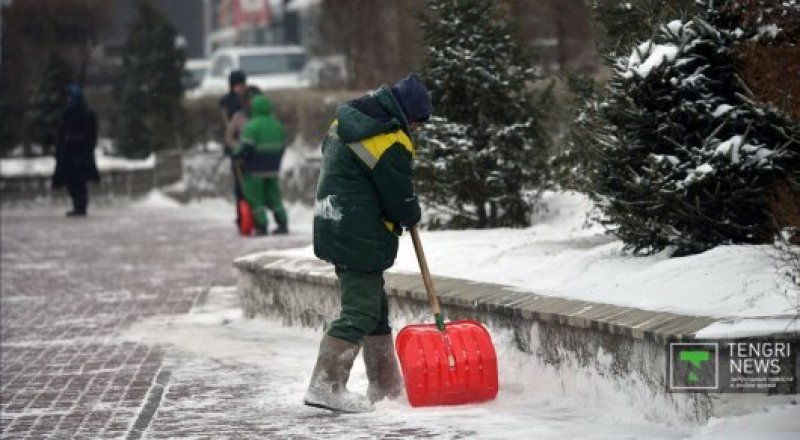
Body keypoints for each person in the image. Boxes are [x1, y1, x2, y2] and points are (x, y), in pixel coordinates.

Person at [304, 73, 432, 413]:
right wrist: (410, 213)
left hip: (336, 221)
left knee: (374, 308)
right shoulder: (388, 139)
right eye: (418, 123)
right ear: (407, 115)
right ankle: (326, 384)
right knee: (360, 310)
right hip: (359, 232)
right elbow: (397, 195)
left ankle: (385, 385)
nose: (417, 130)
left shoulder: (350, 120)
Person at [230, 93, 289, 235]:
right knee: (274, 196)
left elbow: (246, 148)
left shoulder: (252, 126)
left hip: (255, 168)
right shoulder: (277, 125)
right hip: (273, 168)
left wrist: (234, 153)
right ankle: (283, 223)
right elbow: (282, 146)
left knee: (255, 197)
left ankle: (262, 225)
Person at [52, 83, 100, 217]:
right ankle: (78, 205)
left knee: (78, 180)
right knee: (73, 180)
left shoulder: (85, 113)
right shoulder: (69, 113)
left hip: (78, 151)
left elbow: (91, 133)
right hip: (71, 151)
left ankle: (80, 206)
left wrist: (86, 147)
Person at [220, 70, 248, 227]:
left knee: (248, 182)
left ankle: (250, 212)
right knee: (238, 183)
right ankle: (241, 214)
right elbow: (228, 130)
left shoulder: (248, 100)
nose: (240, 88)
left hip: (248, 145)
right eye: (237, 85)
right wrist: (229, 146)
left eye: (242, 84)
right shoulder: (229, 102)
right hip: (235, 144)